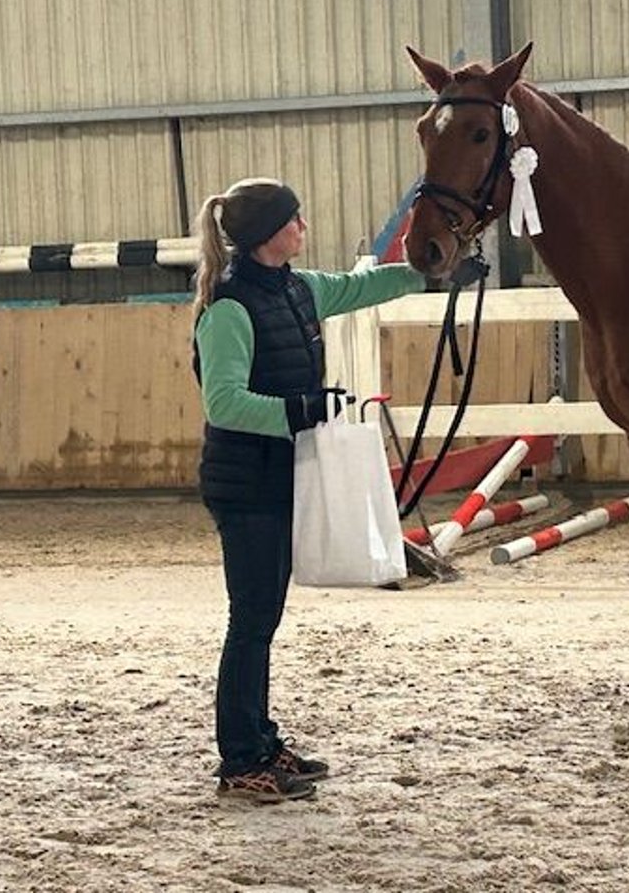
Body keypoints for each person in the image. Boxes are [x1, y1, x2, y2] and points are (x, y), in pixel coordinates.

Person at [191, 177, 424, 803]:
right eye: (295, 220)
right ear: (271, 233)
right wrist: (301, 409)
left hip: (277, 478)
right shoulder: (230, 308)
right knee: (251, 623)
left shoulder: (294, 288)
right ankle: (241, 761)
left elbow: (359, 287)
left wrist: (428, 271)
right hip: (246, 485)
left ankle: (260, 740)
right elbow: (224, 402)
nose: (304, 227)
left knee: (261, 619)